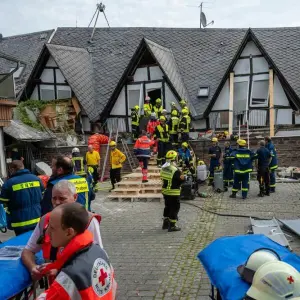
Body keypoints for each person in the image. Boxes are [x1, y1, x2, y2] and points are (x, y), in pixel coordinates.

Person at [21, 180, 102, 282]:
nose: (57, 202)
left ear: (75, 197)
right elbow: (28, 251)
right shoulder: (45, 220)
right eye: (54, 198)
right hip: (55, 286)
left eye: (62, 198)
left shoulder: (88, 221)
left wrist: (60, 270)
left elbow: (97, 258)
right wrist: (33, 267)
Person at [35, 203, 116, 299]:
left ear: (69, 232)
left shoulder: (69, 277)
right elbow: (113, 285)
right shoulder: (99, 252)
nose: (47, 232)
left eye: (52, 228)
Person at [0, 160, 43, 236]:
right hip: (38, 218)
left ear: (12, 169)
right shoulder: (36, 179)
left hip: (20, 221)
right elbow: (43, 195)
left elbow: (3, 201)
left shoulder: (9, 183)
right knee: (36, 242)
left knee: (23, 244)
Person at [160, 150, 185, 232]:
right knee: (175, 208)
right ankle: (172, 226)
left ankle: (165, 224)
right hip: (173, 192)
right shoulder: (175, 170)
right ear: (174, 159)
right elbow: (181, 180)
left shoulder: (163, 167)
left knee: (167, 206)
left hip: (165, 191)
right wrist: (184, 177)